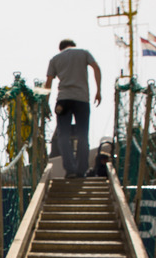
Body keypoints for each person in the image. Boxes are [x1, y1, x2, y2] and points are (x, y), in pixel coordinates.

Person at [44, 39, 102, 178]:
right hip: (82, 99)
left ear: (61, 48)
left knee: (63, 135)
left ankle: (70, 170)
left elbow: (48, 82)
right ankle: (81, 170)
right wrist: (98, 91)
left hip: (63, 100)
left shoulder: (55, 59)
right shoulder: (83, 53)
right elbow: (96, 68)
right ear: (73, 45)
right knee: (83, 135)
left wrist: (45, 103)